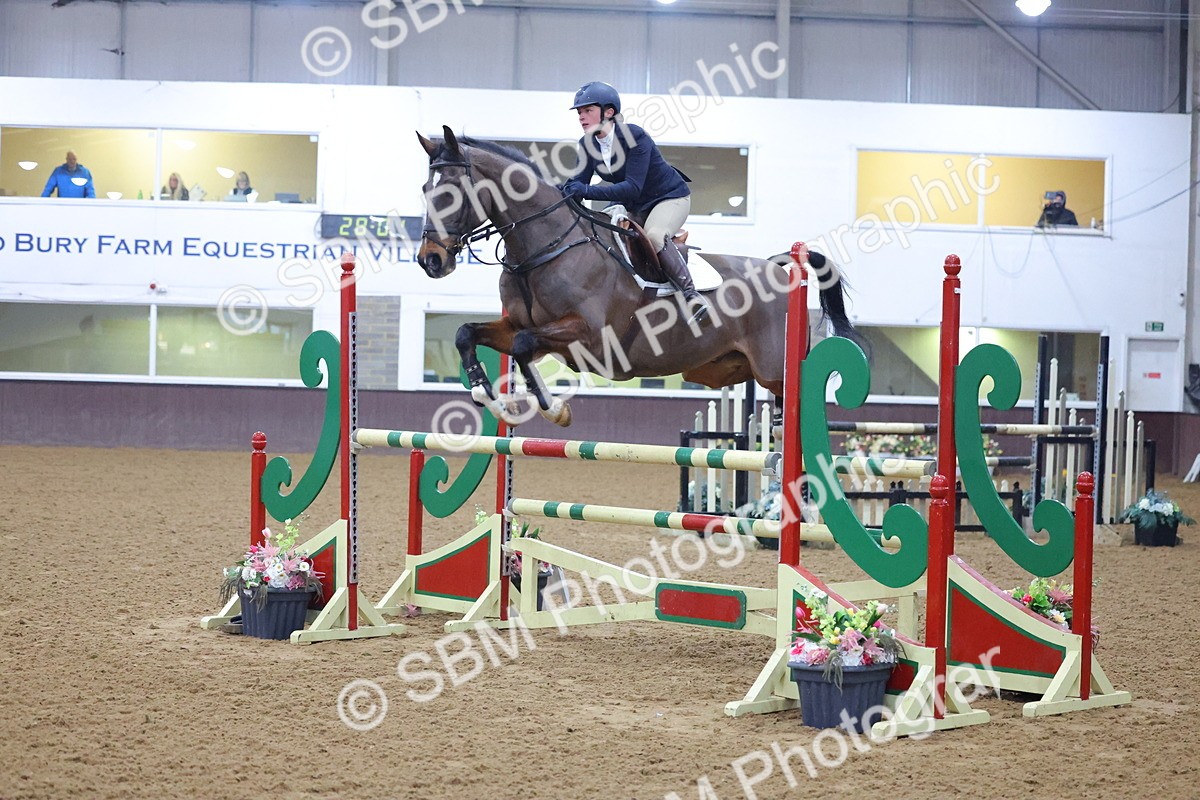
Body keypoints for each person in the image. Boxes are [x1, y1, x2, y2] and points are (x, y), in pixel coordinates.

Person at [560, 81, 710, 323]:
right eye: (579, 112)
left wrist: (585, 190)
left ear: (608, 112)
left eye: (587, 110)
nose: (581, 117)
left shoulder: (634, 136)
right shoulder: (587, 144)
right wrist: (559, 193)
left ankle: (691, 296)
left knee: (653, 235)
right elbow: (578, 186)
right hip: (635, 206)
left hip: (668, 198)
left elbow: (632, 188)